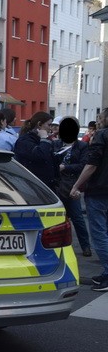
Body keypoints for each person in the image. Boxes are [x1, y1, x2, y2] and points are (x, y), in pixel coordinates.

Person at [71, 109, 108, 290]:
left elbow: (92, 165)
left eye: (100, 118)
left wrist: (77, 185)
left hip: (100, 190)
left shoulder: (102, 136)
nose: (98, 122)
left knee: (99, 235)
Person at [56, 117, 91, 257]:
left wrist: (65, 167)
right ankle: (59, 246)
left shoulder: (81, 146)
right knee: (58, 217)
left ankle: (85, 247)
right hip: (58, 184)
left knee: (77, 217)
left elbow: (83, 165)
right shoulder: (56, 144)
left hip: (72, 184)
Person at [13, 111, 56, 189]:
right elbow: (39, 155)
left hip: (47, 185)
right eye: (49, 125)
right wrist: (44, 139)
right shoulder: (25, 140)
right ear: (39, 124)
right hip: (32, 185)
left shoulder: (44, 140)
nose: (50, 129)